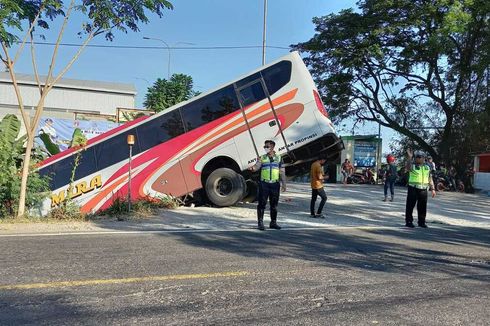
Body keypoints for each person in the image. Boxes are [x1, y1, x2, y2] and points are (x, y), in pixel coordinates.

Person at [249, 140, 287, 230]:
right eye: (264, 147)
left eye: (267, 146)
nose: (265, 148)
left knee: (274, 205)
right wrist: (253, 168)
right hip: (264, 184)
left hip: (275, 184)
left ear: (272, 147)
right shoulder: (262, 158)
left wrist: (284, 184)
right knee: (262, 204)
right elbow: (257, 166)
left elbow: (282, 172)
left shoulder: (279, 158)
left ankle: (273, 222)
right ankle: (260, 223)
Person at [405, 149, 436, 228]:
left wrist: (433, 189)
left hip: (423, 189)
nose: (417, 158)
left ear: (423, 158)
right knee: (410, 206)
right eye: (416, 157)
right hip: (413, 189)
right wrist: (409, 158)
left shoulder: (427, 167)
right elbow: (408, 168)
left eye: (419, 157)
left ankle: (421, 222)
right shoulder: (413, 166)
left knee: (422, 207)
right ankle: (409, 221)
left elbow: (430, 178)